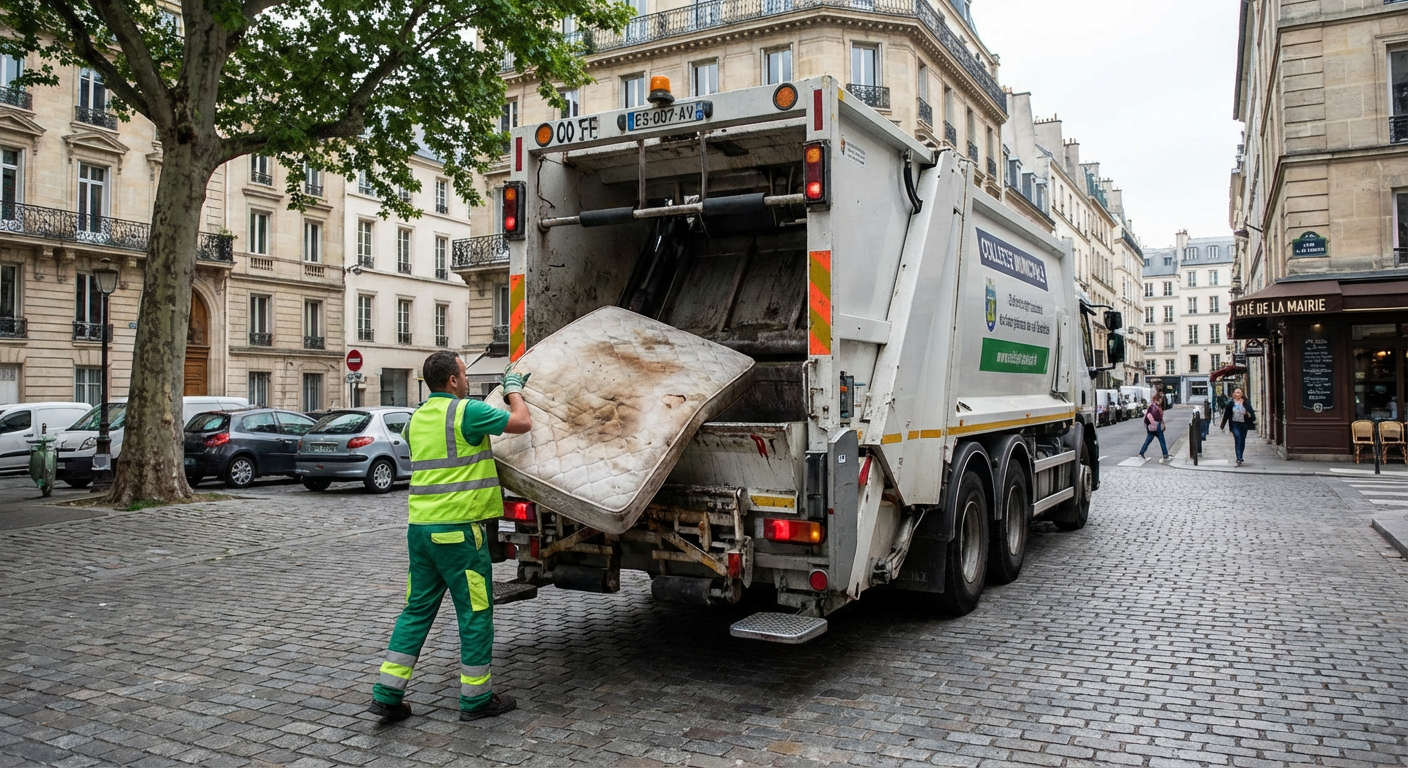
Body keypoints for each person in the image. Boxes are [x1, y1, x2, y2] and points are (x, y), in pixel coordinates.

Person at [368, 351, 532, 724]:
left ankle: (387, 694)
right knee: (475, 613)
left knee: (416, 610)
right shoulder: (466, 412)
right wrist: (512, 391)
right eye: (464, 373)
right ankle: (476, 700)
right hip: (459, 532)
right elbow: (522, 423)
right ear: (454, 381)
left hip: (421, 531)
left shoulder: (415, 420)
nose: (467, 380)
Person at [1220, 387, 1256, 467]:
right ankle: (1239, 458)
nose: (1237, 394)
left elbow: (1252, 413)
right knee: (1238, 438)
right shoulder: (1231, 403)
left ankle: (1240, 456)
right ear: (1233, 394)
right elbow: (1226, 414)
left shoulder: (1246, 403)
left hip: (1243, 424)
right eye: (1236, 392)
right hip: (1234, 424)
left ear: (1242, 394)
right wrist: (1222, 424)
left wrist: (1249, 415)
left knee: (1242, 441)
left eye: (1239, 392)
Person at [1139, 391, 1170, 462]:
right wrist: (1162, 423)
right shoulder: (1157, 407)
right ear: (1159, 399)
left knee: (1148, 440)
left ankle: (1141, 453)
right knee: (1162, 440)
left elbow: (1147, 416)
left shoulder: (1151, 406)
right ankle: (1165, 454)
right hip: (1157, 426)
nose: (1161, 400)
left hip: (1150, 427)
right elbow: (1159, 417)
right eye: (1161, 399)